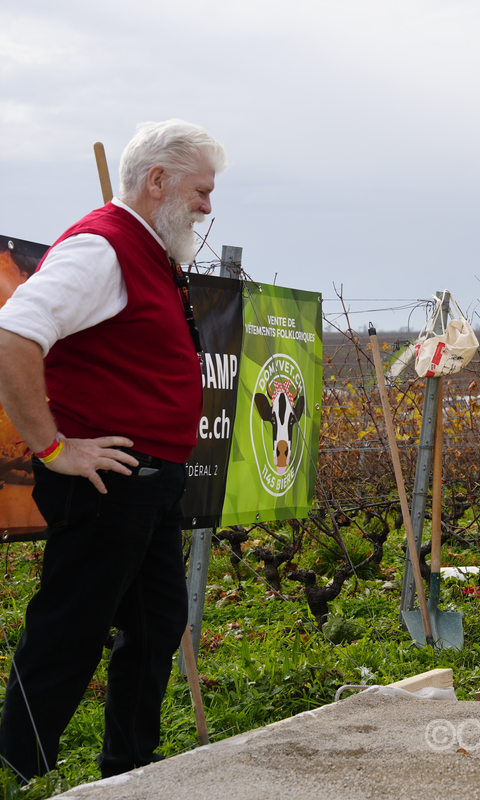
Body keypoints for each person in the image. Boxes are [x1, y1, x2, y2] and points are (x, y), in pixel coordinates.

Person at [0, 120, 226, 780]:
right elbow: (13, 336)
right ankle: (13, 765)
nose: (209, 207)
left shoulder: (146, 251)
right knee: (71, 627)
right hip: (107, 481)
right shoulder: (101, 248)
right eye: (201, 190)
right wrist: (52, 447)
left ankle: (131, 765)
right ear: (157, 181)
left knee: (158, 623)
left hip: (147, 480)